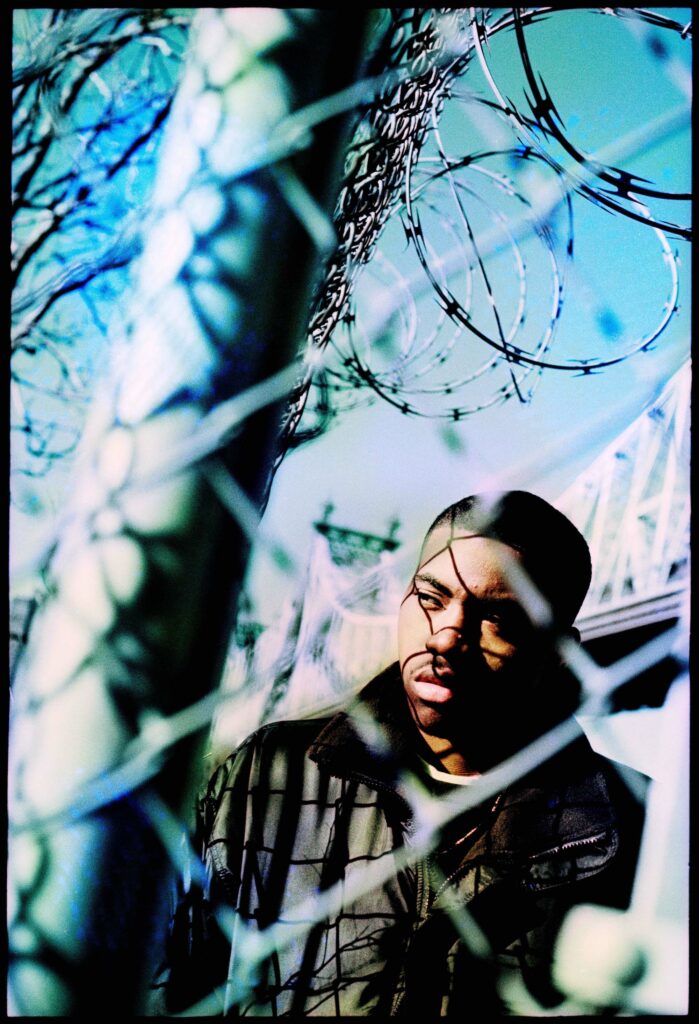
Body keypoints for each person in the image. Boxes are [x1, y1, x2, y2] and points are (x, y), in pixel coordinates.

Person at [152, 490, 646, 1016]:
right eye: (431, 599)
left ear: (558, 653)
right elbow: (169, 979)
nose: (446, 636)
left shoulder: (638, 832)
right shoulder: (270, 774)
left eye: (497, 617)